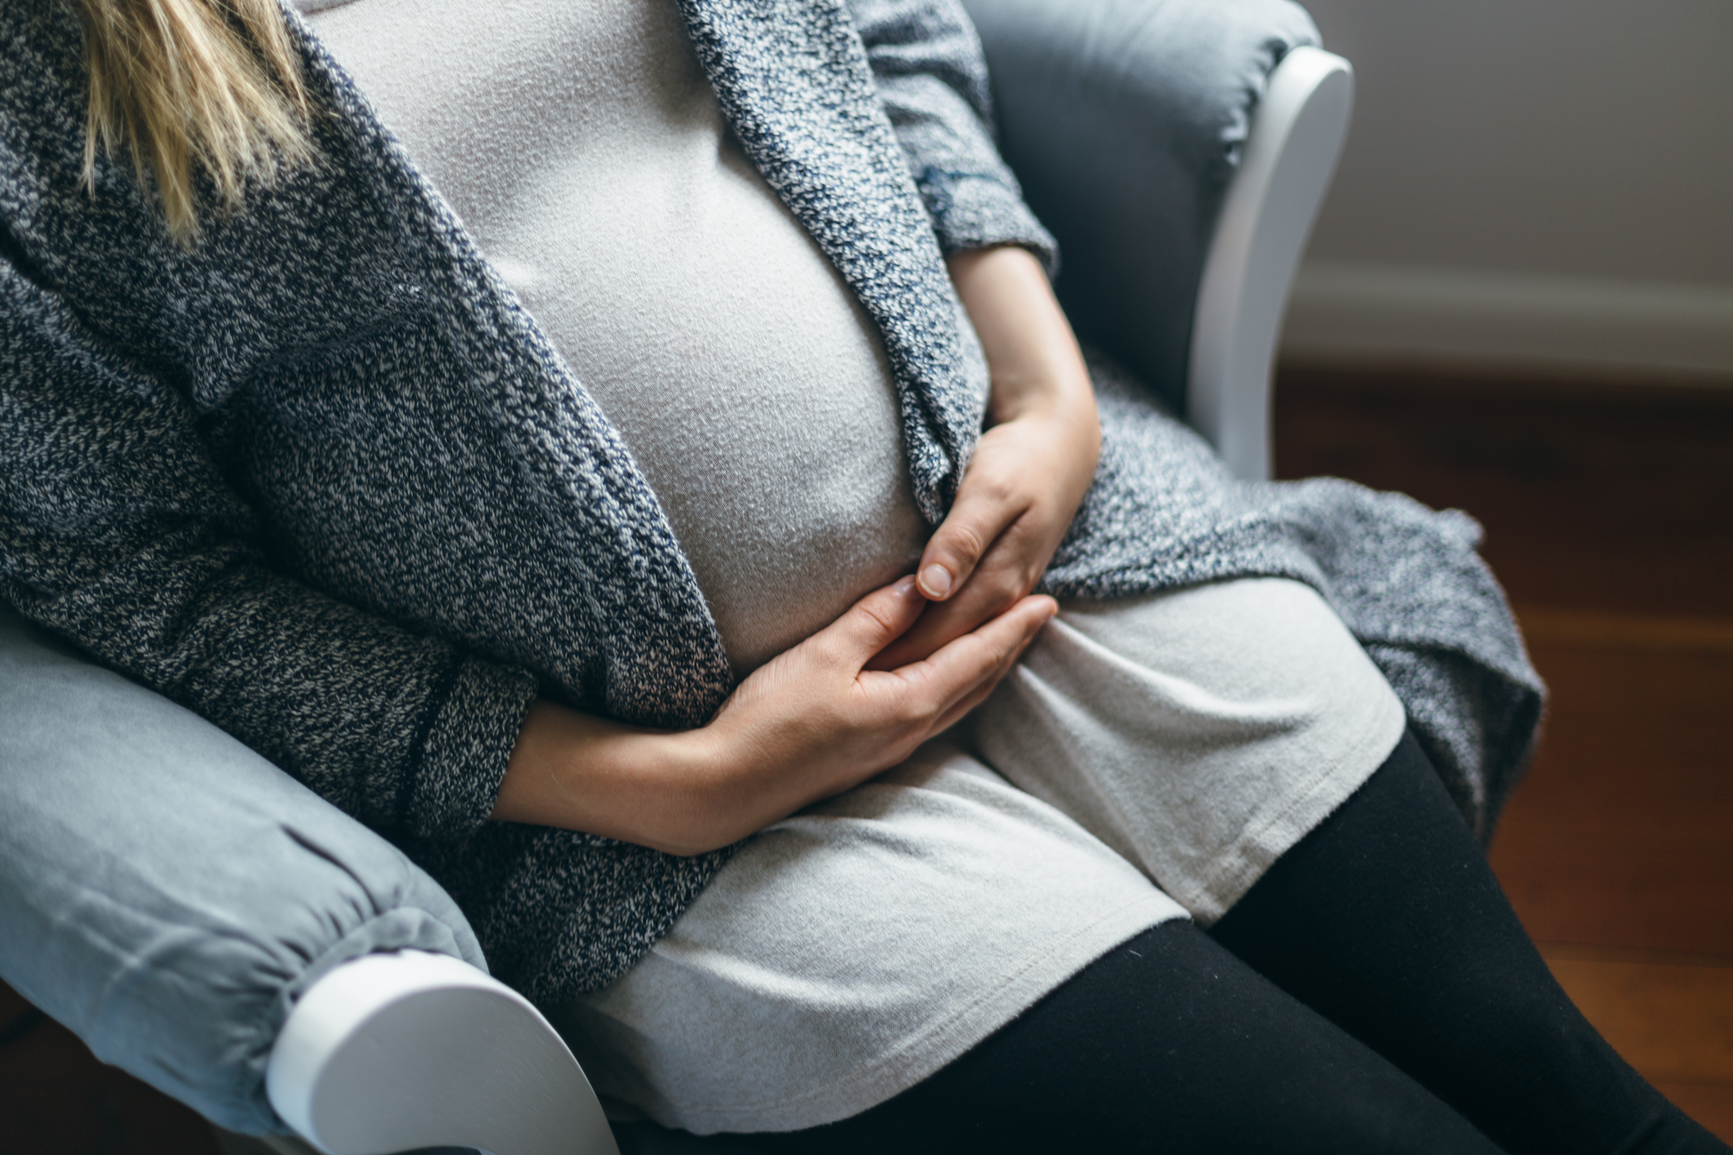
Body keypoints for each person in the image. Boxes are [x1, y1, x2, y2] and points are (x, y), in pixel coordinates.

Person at [0, 0, 1722, 1150]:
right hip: (688, 840)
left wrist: (1044, 402)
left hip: (1068, 570)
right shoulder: (42, 75)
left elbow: (892, 40)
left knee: (1571, 1100)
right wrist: (671, 786)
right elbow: (152, 590)